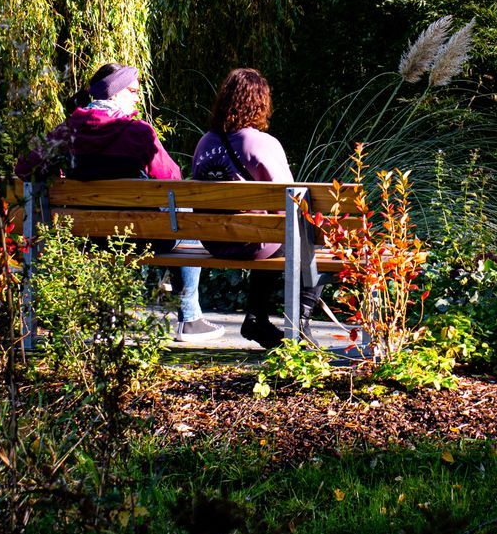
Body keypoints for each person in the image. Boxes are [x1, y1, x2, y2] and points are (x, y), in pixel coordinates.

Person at [188, 66, 318, 349]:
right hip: (254, 243)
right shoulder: (262, 143)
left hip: (215, 241)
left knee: (268, 230)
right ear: (260, 103)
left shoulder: (204, 142)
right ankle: (300, 321)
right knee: (304, 237)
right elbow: (292, 203)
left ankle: (258, 316)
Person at [17, 63, 181, 182]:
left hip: (79, 225)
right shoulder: (139, 133)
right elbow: (172, 178)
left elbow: (25, 169)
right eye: (132, 91)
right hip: (135, 226)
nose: (137, 99)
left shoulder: (66, 131)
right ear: (114, 93)